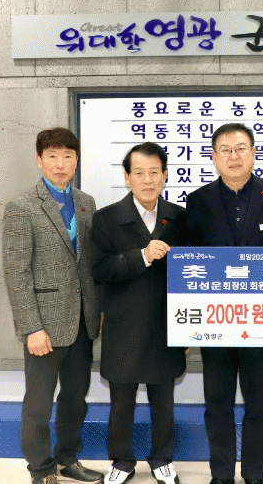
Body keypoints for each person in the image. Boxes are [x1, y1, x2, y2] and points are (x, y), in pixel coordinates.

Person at [185, 123, 263, 484]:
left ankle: (255, 474)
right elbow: (188, 262)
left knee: (258, 403)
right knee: (217, 404)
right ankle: (221, 475)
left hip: (262, 322)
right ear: (214, 157)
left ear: (254, 153)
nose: (234, 156)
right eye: (226, 150)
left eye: (241, 148)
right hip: (214, 322)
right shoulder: (198, 201)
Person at [3, 128, 103, 484]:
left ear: (76, 160)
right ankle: (41, 469)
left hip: (82, 322)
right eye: (52, 156)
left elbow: (90, 265)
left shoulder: (86, 202)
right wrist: (32, 327)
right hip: (44, 326)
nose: (61, 164)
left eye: (68, 157)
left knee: (75, 399)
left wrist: (97, 313)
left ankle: (67, 459)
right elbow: (16, 273)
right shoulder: (22, 207)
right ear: (39, 159)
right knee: (39, 405)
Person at [90, 142, 186, 484]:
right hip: (123, 323)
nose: (148, 180)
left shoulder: (180, 217)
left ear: (165, 175)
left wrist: (188, 326)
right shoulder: (106, 218)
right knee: (121, 401)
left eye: (154, 172)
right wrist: (142, 256)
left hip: (166, 324)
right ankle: (122, 460)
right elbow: (100, 269)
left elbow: (192, 273)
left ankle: (162, 459)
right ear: (127, 177)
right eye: (139, 172)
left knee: (164, 400)